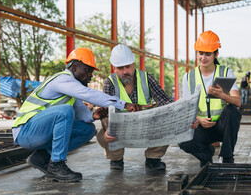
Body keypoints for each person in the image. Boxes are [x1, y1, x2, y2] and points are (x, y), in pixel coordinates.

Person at [12, 47, 139, 182]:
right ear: (74, 67)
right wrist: (124, 104)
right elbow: (89, 94)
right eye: (87, 70)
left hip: (38, 132)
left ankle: (42, 157)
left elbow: (81, 111)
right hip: (25, 132)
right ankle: (56, 165)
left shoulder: (71, 87)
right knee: (65, 110)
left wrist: (93, 116)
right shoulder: (62, 79)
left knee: (88, 129)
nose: (90, 75)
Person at [96, 44, 174, 170]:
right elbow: (105, 111)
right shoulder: (109, 83)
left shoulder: (146, 79)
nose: (125, 71)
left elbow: (164, 101)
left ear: (133, 64)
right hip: (121, 129)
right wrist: (107, 129)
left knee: (167, 125)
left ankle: (153, 158)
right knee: (102, 135)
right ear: (114, 68)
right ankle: (116, 159)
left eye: (128, 66)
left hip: (146, 126)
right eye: (120, 68)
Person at [179, 30, 242, 166]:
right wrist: (199, 120)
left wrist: (222, 95)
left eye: (208, 54)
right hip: (202, 127)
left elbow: (238, 102)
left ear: (216, 54)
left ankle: (227, 158)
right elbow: (186, 109)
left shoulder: (225, 72)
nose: (203, 58)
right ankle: (206, 156)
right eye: (200, 53)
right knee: (182, 140)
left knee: (232, 111)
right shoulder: (188, 77)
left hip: (222, 127)